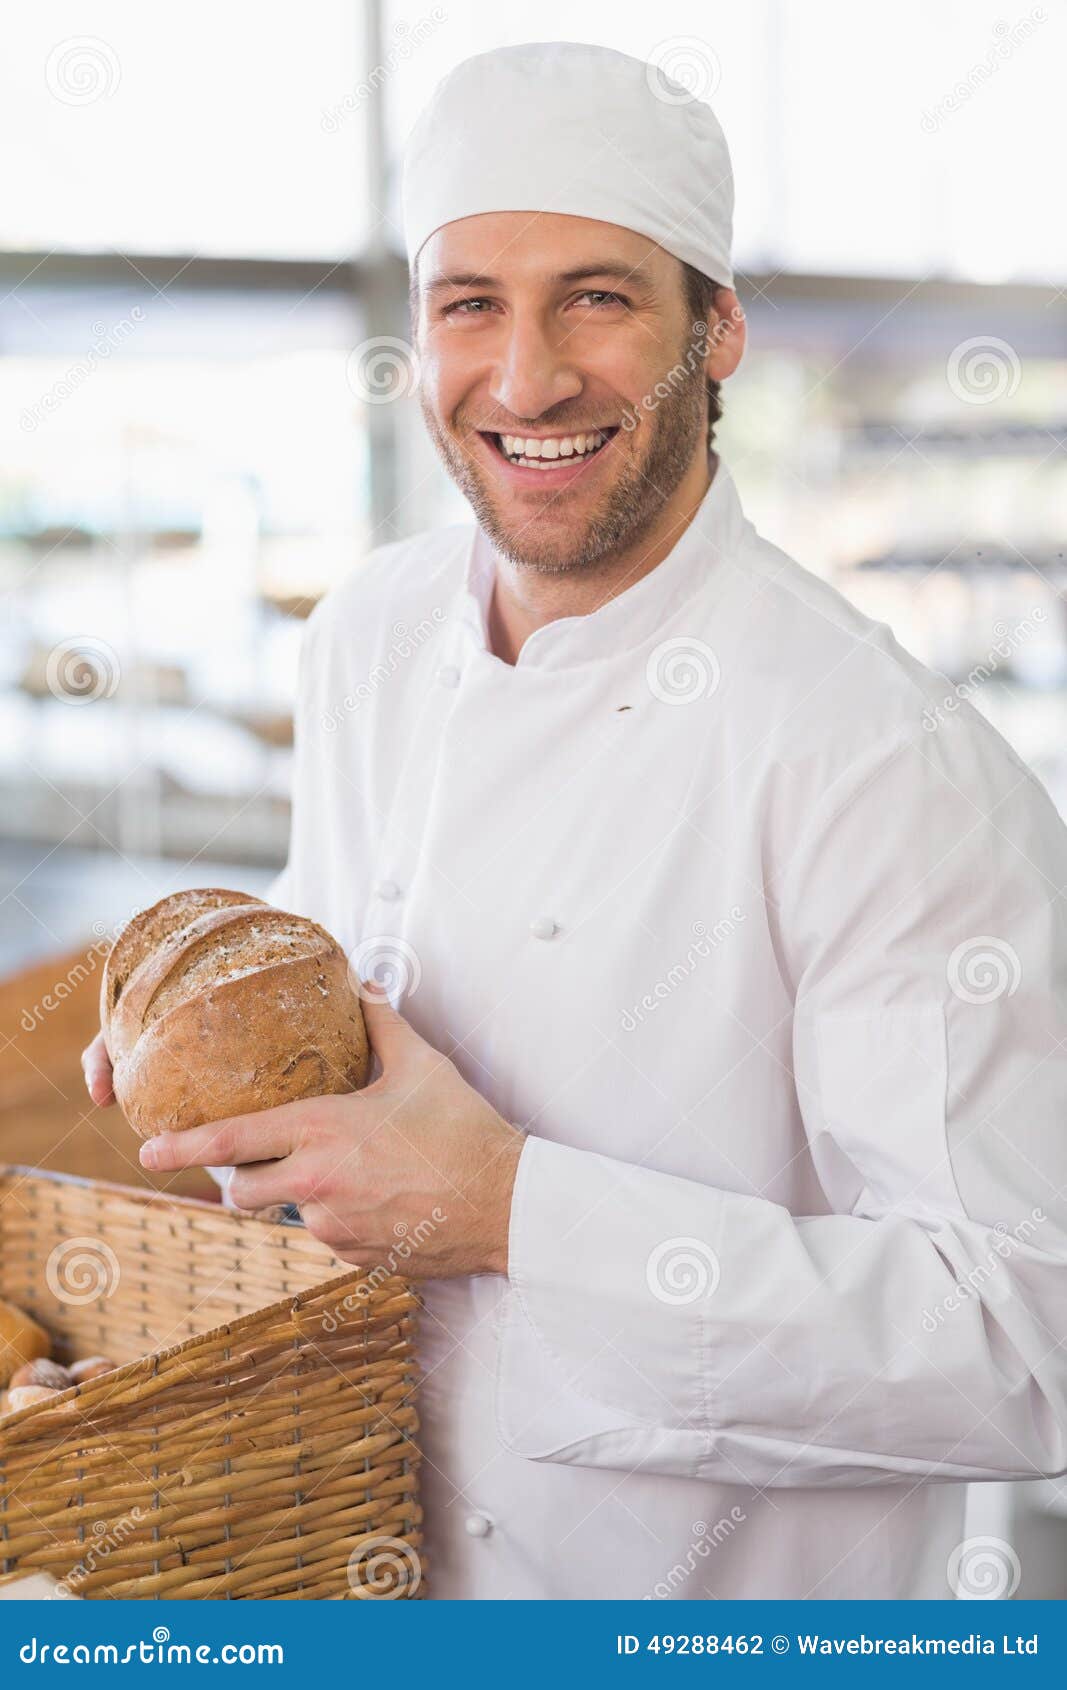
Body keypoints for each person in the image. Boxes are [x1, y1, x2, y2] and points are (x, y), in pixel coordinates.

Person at [83, 42, 1067, 1601]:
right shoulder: (369, 636)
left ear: (719, 331)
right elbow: (350, 1028)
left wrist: (507, 1207)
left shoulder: (884, 763)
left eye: (598, 298)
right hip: (349, 1571)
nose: (528, 378)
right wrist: (240, 1100)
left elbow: (1026, 1337)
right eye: (470, 302)